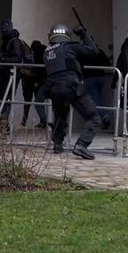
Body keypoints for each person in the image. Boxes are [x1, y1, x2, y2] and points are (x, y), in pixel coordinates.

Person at [44, 23, 101, 159]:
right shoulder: (69, 47)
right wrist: (84, 35)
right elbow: (93, 52)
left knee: (60, 114)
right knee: (94, 117)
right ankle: (81, 145)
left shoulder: (47, 52)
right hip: (71, 87)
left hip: (54, 89)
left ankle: (57, 144)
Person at [0, 19, 23, 131]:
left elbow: (17, 59)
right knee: (0, 100)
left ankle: (3, 127)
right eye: (1, 26)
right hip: (5, 74)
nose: (2, 28)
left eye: (5, 26)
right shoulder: (6, 40)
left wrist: (3, 59)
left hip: (12, 75)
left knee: (6, 100)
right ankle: (2, 127)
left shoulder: (14, 41)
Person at [21, 40, 48, 129]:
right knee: (40, 101)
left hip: (33, 81)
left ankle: (25, 121)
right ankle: (43, 121)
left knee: (30, 101)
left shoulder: (36, 55)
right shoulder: (44, 54)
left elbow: (37, 70)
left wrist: (28, 73)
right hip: (39, 81)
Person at [83, 48, 112, 130]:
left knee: (95, 100)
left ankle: (104, 117)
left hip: (89, 78)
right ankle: (100, 119)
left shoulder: (82, 51)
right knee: (97, 99)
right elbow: (107, 64)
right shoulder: (99, 51)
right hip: (101, 77)